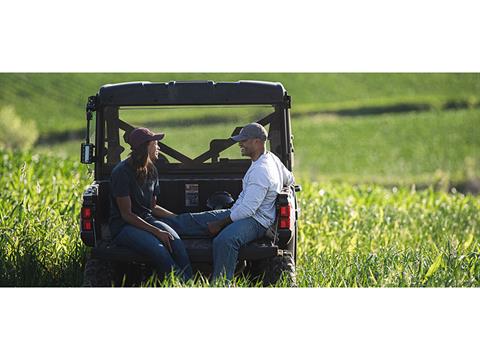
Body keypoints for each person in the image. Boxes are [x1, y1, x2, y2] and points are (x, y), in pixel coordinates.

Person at [161, 123, 294, 281]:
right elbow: (290, 178)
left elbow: (247, 211)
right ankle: (157, 225)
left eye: (244, 140)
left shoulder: (261, 171)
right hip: (240, 213)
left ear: (257, 142)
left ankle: (221, 284)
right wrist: (281, 188)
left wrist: (219, 224)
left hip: (256, 221)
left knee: (225, 240)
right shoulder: (271, 158)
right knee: (192, 220)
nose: (240, 144)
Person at [109, 127, 193, 281]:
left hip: (147, 220)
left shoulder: (152, 169)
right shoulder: (121, 172)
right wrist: (157, 232)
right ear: (145, 146)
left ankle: (191, 284)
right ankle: (182, 285)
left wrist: (176, 218)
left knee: (176, 243)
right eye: (155, 144)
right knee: (159, 250)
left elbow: (152, 207)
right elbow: (126, 215)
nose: (158, 147)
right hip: (124, 227)